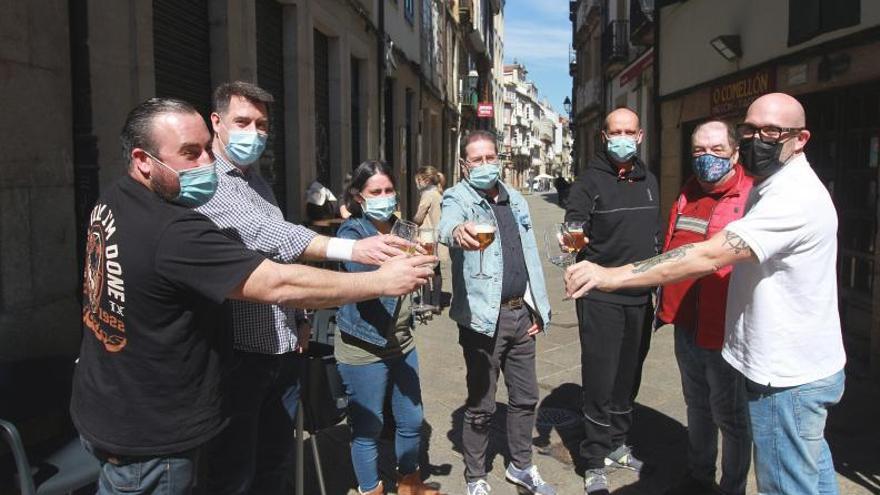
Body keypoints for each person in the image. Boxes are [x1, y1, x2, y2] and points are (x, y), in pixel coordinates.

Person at [73, 97, 434, 495]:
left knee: (268, 464)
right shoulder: (172, 230)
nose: (208, 163)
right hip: (152, 433)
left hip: (111, 407)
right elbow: (276, 282)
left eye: (207, 149)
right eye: (190, 154)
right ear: (143, 160)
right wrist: (380, 281)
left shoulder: (116, 197)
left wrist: (303, 314)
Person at [564, 93, 847, 495]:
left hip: (784, 373)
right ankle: (699, 476)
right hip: (716, 334)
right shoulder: (753, 187)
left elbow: (706, 254)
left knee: (785, 482)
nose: (756, 140)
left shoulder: (789, 197)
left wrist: (611, 275)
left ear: (799, 139)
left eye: (770, 131)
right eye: (749, 129)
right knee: (803, 471)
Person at [193, 81, 411, 495]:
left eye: (262, 124)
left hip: (282, 348)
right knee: (233, 470)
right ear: (216, 123)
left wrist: (301, 318)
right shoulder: (209, 183)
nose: (254, 133)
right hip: (240, 355)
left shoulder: (256, 181)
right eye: (243, 122)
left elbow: (283, 259)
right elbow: (268, 234)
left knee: (275, 462)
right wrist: (355, 249)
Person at [438, 131, 556, 495]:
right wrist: (458, 230)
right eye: (478, 159)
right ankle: (476, 476)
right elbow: (447, 225)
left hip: (522, 314)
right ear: (464, 165)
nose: (487, 165)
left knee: (525, 397)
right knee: (481, 404)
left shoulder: (515, 198)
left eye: (492, 157)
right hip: (483, 318)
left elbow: (531, 257)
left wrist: (539, 307)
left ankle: (521, 466)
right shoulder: (457, 197)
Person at [563, 107, 659, 494]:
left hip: (640, 295)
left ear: (639, 136)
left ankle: (617, 443)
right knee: (600, 381)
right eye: (614, 131)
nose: (622, 137)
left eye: (629, 131)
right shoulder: (589, 181)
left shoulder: (649, 178)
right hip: (601, 297)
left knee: (628, 377)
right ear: (604, 137)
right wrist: (572, 239)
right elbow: (574, 227)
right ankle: (593, 458)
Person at [334, 160, 442, 495]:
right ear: (360, 197)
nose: (384, 197)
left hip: (402, 343)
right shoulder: (352, 233)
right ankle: (372, 489)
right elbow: (359, 276)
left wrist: (426, 263)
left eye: (389, 190)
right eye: (375, 191)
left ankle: (410, 483)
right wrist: (403, 264)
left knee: (411, 420)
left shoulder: (404, 228)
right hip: (362, 346)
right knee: (368, 428)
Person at [658, 121, 752, 495]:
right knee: (696, 405)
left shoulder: (753, 196)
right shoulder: (688, 191)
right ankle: (699, 476)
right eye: (699, 151)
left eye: (716, 150)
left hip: (726, 326)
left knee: (730, 416)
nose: (707, 158)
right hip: (686, 321)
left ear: (735, 152)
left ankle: (732, 488)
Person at [413, 165, 444, 312]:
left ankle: (426, 303)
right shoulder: (438, 193)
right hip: (435, 233)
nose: (416, 183)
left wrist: (412, 222)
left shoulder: (427, 195)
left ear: (425, 180)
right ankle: (437, 303)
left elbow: (419, 216)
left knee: (424, 268)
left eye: (418, 180)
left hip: (426, 233)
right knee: (436, 269)